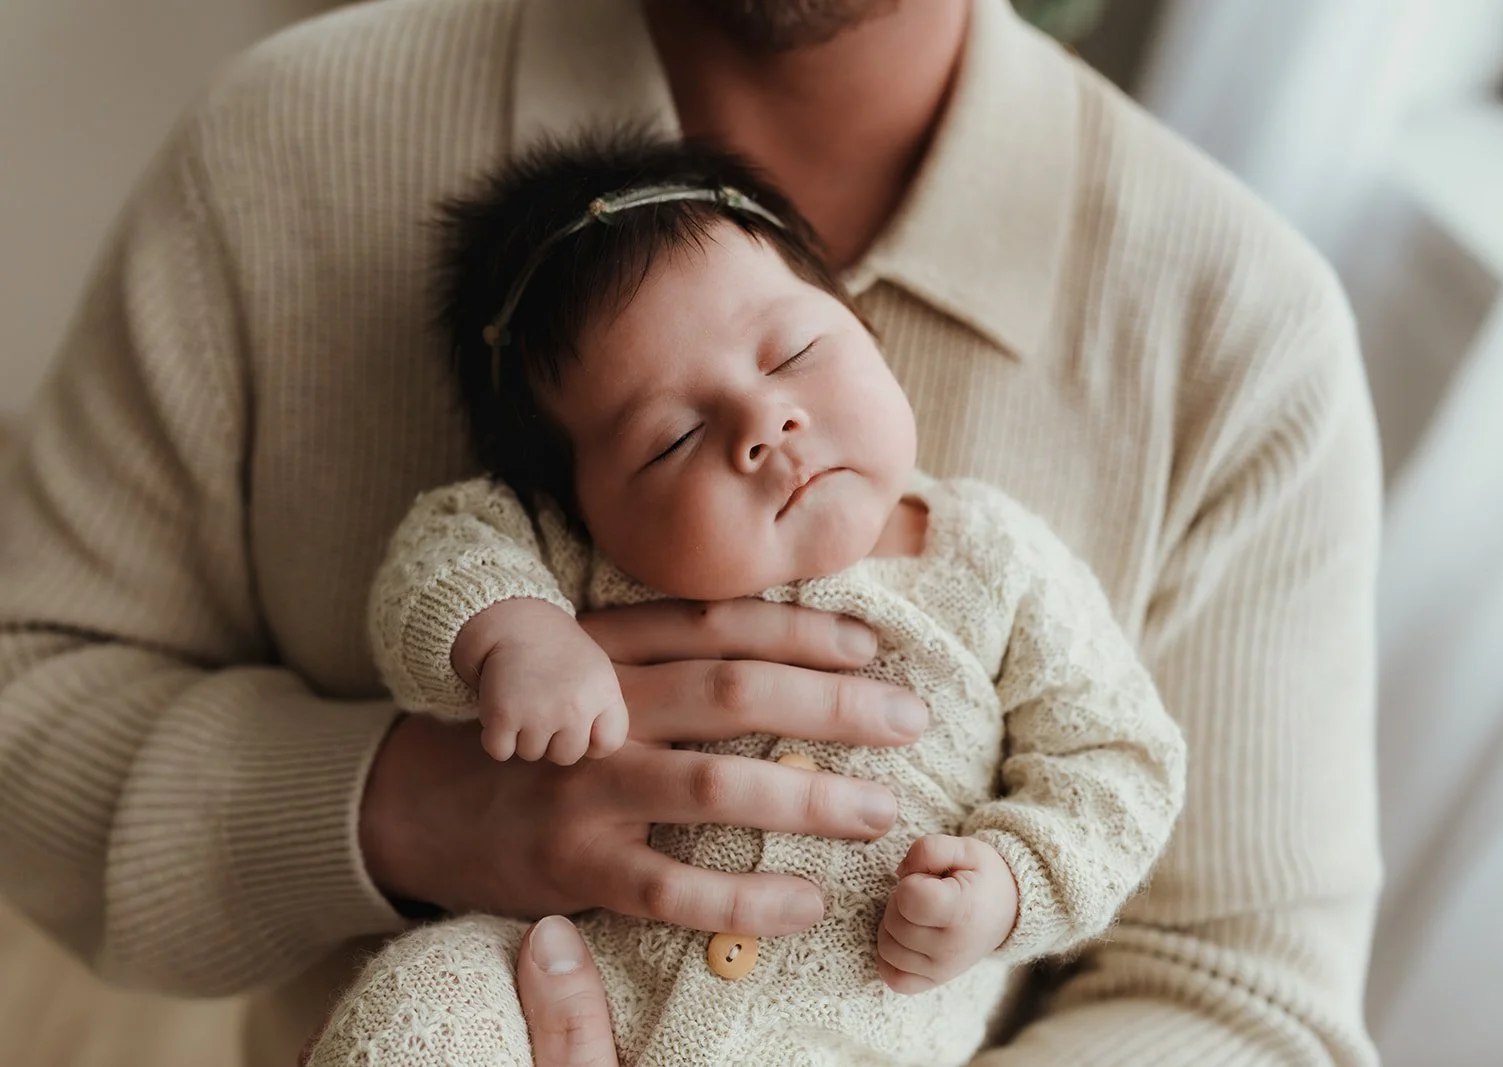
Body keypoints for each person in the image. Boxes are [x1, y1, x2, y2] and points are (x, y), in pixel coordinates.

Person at [0, 1, 1384, 1064]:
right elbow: (30, 692)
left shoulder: (1243, 337)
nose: (766, 434)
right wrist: (407, 804)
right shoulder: (292, 134)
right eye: (664, 435)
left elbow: (1244, 999)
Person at [303, 131, 1185, 1065]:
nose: (765, 422)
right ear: (584, 502)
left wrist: (1014, 883)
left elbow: (1119, 755)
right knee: (424, 995)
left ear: (865, 325)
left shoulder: (997, 559)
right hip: (564, 986)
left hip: (846, 1042)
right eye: (672, 440)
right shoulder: (587, 560)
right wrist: (510, 634)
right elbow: (446, 540)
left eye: (796, 351)